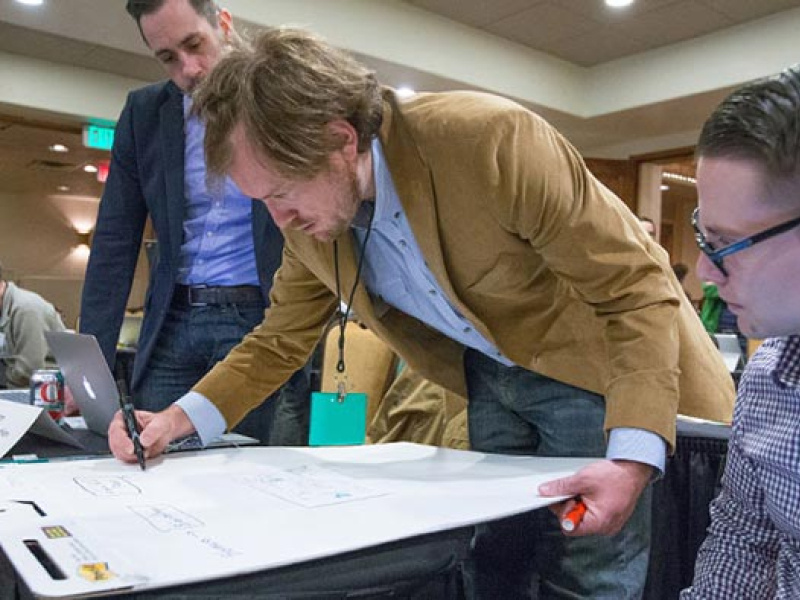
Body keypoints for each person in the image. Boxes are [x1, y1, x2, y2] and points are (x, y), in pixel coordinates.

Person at [110, 28, 734, 598]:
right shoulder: (313, 226)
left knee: (589, 567)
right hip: (490, 377)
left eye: (280, 193)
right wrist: (175, 420)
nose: (280, 222)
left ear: (339, 138)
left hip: (596, 368)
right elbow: (277, 341)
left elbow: (633, 288)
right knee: (497, 558)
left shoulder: (487, 141)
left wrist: (630, 456)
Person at [80, 0, 309, 444]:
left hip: (257, 319)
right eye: (168, 58)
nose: (189, 68)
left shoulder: (280, 99)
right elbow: (113, 242)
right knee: (149, 457)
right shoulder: (144, 114)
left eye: (194, 44)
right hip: (173, 321)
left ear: (222, 23)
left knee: (252, 477)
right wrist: (94, 368)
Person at [681, 65, 800, 598]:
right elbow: (741, 538)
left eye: (724, 243)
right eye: (701, 236)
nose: (705, 272)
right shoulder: (769, 376)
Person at [0, 261, 66, 388]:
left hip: (49, 392)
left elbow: (28, 371)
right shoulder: (4, 308)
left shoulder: (26, 309)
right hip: (19, 385)